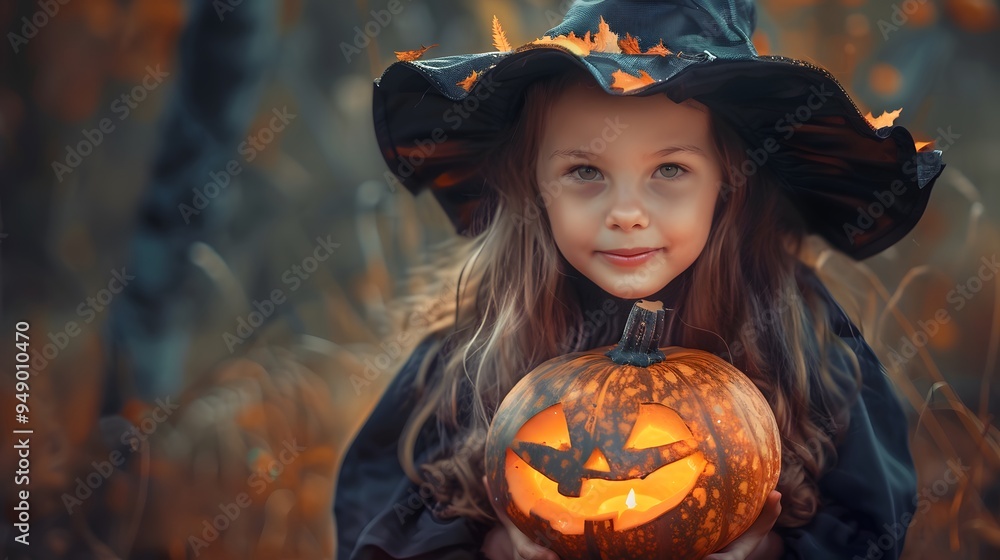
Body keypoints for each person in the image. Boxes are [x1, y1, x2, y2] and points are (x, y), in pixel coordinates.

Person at [335, 1, 945, 559]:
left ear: (727, 184)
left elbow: (868, 529)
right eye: (585, 171)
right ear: (536, 186)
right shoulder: (479, 342)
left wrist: (761, 553)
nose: (626, 212)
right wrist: (502, 546)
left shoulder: (800, 330)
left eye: (670, 168)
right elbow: (384, 524)